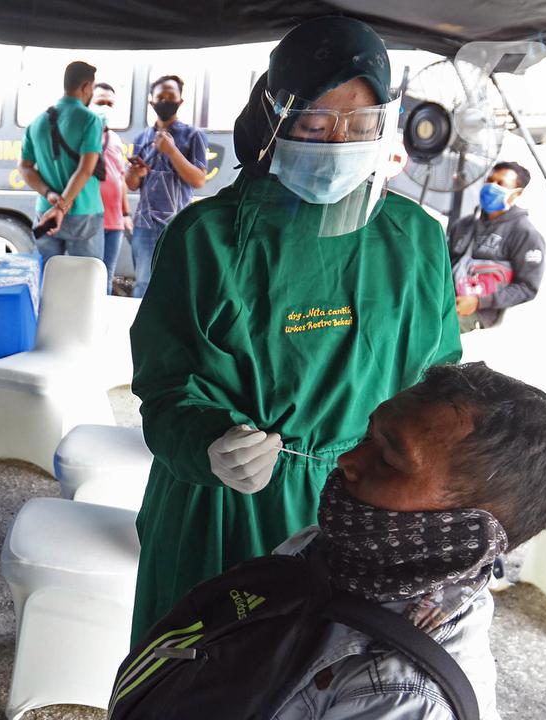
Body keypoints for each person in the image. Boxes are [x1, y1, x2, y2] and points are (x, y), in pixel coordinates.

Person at [128, 16, 462, 643]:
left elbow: (440, 391)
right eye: (315, 124)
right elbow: (165, 386)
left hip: (364, 507)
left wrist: (443, 519)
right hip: (228, 504)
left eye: (360, 127)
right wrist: (207, 445)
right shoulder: (206, 240)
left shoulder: (414, 240)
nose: (338, 144)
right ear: (274, 115)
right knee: (211, 677)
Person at [120, 363, 546, 719]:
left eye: (388, 459)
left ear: (463, 532)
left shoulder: (399, 696)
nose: (348, 460)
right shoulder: (356, 550)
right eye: (368, 436)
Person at [124, 74, 208, 297]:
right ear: (151, 102)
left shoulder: (194, 135)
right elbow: (132, 184)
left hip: (177, 223)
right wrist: (134, 173)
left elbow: (199, 179)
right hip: (144, 224)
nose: (165, 101)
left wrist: (172, 151)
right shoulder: (141, 138)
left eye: (171, 96)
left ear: (180, 100)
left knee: (176, 287)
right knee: (143, 285)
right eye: (160, 97)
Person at [18, 60, 104, 267]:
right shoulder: (90, 119)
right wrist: (64, 205)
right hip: (84, 211)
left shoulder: (36, 122)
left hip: (46, 212)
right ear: (86, 87)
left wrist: (50, 195)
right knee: (86, 279)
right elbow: (85, 170)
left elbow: (24, 167)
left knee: (47, 275)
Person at [449, 162, 546, 332]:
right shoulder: (464, 225)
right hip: (445, 300)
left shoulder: (525, 234)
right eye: (490, 180)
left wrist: (479, 302)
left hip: (476, 314)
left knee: (435, 334)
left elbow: (527, 287)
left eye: (500, 184)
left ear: (517, 193)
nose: (491, 187)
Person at [91, 82, 132, 293]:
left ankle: (101, 322)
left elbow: (121, 178)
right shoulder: (83, 136)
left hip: (114, 222)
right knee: (89, 276)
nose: (105, 107)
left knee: (106, 275)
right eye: (100, 102)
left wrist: (125, 213)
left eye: (109, 103)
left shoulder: (115, 139)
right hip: (90, 219)